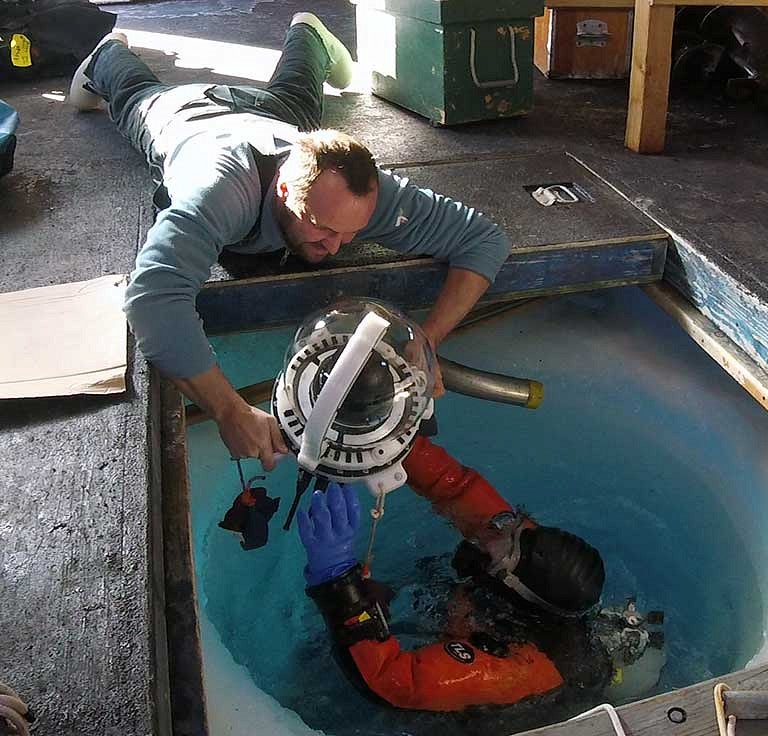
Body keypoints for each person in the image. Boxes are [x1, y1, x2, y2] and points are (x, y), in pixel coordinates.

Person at [68, 14, 512, 470]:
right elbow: (152, 297)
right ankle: (108, 54)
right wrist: (228, 409)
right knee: (134, 95)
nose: (336, 248)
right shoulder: (220, 192)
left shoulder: (364, 191)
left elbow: (483, 240)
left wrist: (429, 339)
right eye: (322, 229)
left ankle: (309, 33)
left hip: (274, 119)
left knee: (297, 95)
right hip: (189, 117)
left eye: (351, 233)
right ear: (284, 191)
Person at [297, 436, 666, 711]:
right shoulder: (517, 550)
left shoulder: (515, 665)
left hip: (480, 716)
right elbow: (455, 486)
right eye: (514, 525)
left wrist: (336, 581)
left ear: (510, 586)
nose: (497, 528)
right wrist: (386, 443)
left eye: (506, 539)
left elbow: (394, 684)